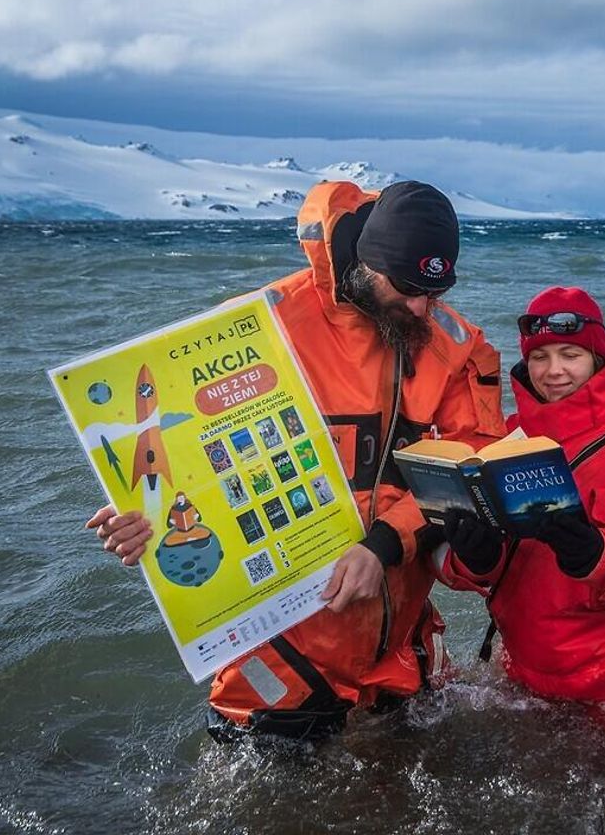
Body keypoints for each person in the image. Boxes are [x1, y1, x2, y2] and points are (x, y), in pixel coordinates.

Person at [87, 180, 506, 742]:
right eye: (407, 286)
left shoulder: (454, 345)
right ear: (367, 262)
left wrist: (382, 545)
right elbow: (180, 454)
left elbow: (470, 462)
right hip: (279, 655)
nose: (421, 306)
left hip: (399, 647)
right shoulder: (253, 328)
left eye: (436, 289)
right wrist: (143, 517)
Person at [435, 286, 605, 741]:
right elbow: (487, 566)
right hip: (528, 675)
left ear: (598, 360)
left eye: (570, 354)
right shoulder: (505, 441)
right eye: (540, 356)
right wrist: (475, 559)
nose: (554, 370)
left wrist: (600, 554)